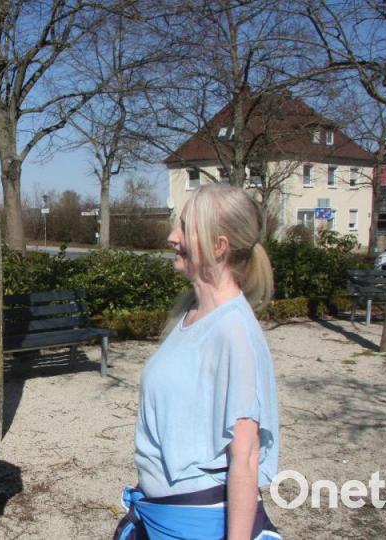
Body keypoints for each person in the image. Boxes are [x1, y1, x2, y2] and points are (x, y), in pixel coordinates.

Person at [115, 184, 280, 540]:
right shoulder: (190, 312)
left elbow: (246, 457)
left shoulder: (234, 331)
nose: (173, 236)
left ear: (218, 246)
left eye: (186, 228)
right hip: (162, 514)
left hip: (196, 523)